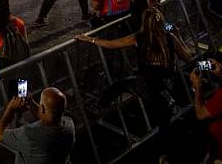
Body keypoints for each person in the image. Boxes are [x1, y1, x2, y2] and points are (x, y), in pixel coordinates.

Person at [78, 8, 192, 152]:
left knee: (118, 86)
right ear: (162, 22)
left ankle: (98, 107)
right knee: (164, 122)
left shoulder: (138, 37)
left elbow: (111, 44)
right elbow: (188, 56)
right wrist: (178, 35)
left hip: (144, 86)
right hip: (166, 85)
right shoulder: (170, 37)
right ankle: (166, 153)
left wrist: (90, 39)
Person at [0, 87, 75, 164]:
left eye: (40, 104)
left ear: (42, 108)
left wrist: (10, 108)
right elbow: (49, 115)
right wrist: (31, 103)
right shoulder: (69, 125)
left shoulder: (29, 134)